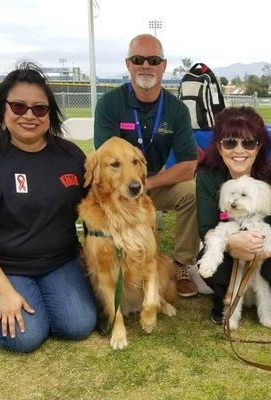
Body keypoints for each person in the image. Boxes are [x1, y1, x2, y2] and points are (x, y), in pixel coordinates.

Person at [0, 62, 97, 353]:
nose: (29, 116)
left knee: (79, 325)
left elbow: (95, 204)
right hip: (6, 266)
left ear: (50, 113)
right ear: (3, 110)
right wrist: (4, 291)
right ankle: (4, 293)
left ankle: (42, 297)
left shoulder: (70, 155)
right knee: (26, 337)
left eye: (39, 109)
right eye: (19, 107)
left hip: (59, 261)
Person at [94, 34, 199, 297]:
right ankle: (108, 264)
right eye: (138, 59)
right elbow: (104, 159)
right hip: (117, 186)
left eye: (153, 60)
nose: (146, 66)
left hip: (153, 182)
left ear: (163, 65)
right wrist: (129, 186)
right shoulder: (110, 104)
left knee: (193, 191)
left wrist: (146, 184)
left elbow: (188, 165)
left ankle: (182, 265)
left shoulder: (176, 109)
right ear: (128, 64)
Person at [196, 106, 271, 324]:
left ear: (259, 146)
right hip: (230, 244)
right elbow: (205, 228)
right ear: (219, 146)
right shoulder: (208, 177)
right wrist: (234, 244)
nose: (239, 150)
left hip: (268, 249)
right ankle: (224, 299)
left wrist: (254, 252)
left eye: (248, 143)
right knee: (208, 261)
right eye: (230, 142)